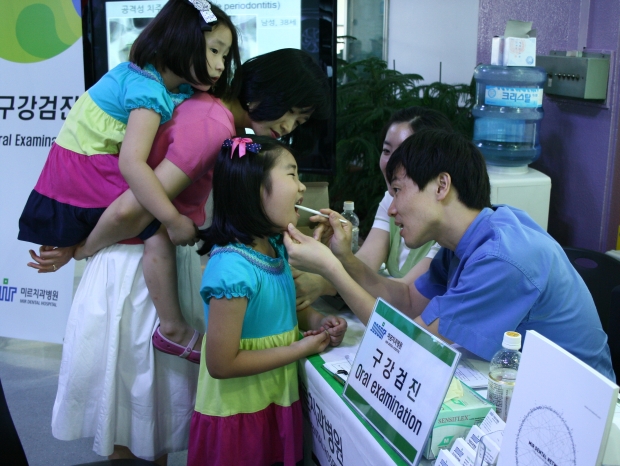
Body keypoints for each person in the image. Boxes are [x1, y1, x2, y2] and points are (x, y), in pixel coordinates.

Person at [47, 51, 331, 462]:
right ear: (269, 93)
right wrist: (82, 249)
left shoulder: (222, 124)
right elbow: (132, 209)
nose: (289, 128)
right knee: (133, 423)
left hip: (152, 261)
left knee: (149, 426)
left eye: (299, 122)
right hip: (136, 270)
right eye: (292, 113)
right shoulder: (212, 125)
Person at [284, 129, 615, 381]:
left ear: (441, 186)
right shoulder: (472, 236)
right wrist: (344, 258)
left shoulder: (501, 257)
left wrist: (330, 268)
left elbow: (409, 341)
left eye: (397, 191)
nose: (392, 209)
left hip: (574, 406)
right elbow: (407, 300)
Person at [18, 0, 239, 361]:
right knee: (151, 224)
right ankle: (173, 328)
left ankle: (71, 246)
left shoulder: (146, 77)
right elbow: (132, 164)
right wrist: (173, 219)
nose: (220, 65)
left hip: (74, 168)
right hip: (84, 170)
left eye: (225, 56)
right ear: (179, 39)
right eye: (213, 51)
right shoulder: (149, 92)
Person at [187, 136, 347, 466]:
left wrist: (319, 322)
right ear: (255, 189)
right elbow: (221, 364)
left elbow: (285, 312)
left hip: (276, 403)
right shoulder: (231, 269)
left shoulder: (276, 249)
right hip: (238, 417)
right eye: (292, 175)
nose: (302, 187)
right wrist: (300, 349)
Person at [293, 107, 452, 310]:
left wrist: (326, 277)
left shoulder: (450, 223)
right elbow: (367, 260)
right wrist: (339, 258)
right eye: (386, 151)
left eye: (403, 153)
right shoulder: (390, 199)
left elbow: (406, 296)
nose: (390, 163)